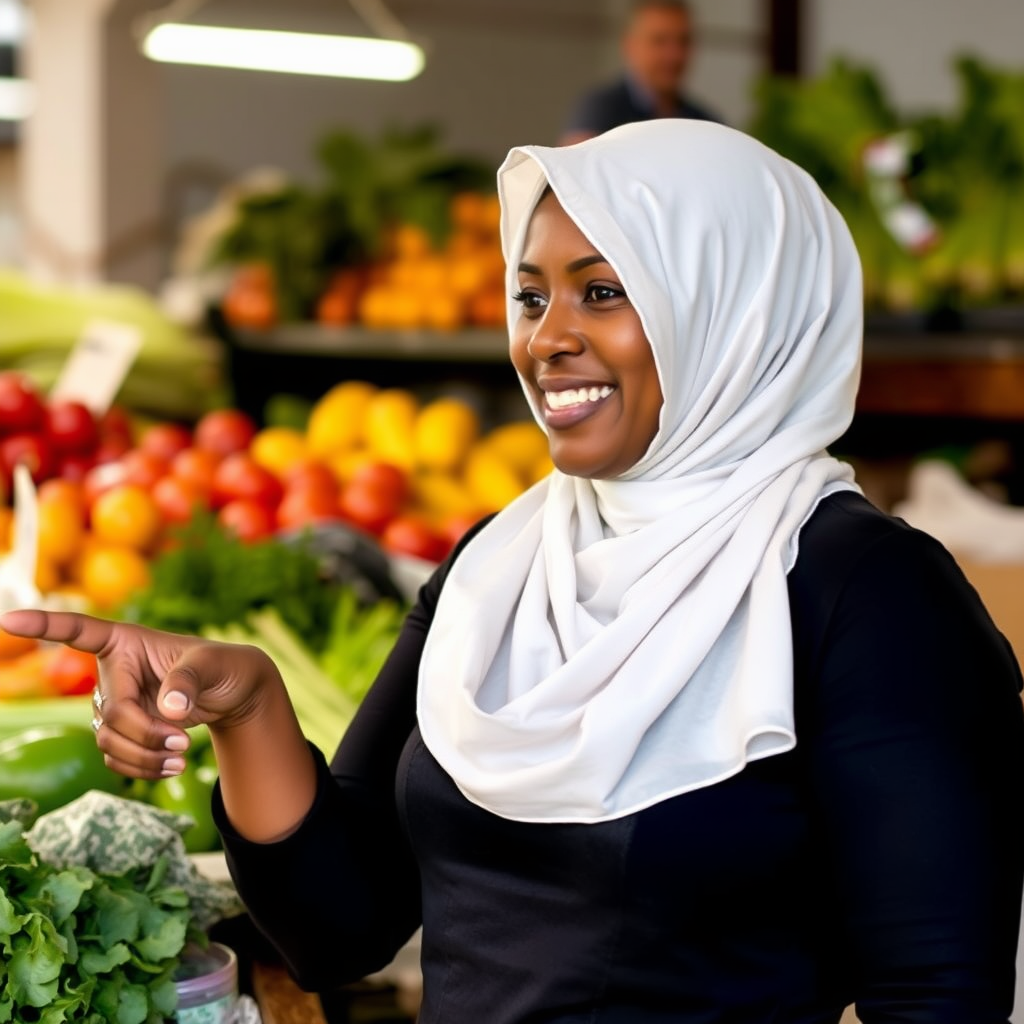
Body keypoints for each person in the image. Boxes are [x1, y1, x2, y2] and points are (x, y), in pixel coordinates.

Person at [4, 120, 1024, 1024]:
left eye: (604, 291)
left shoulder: (873, 597)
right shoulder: (503, 563)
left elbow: (936, 995)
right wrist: (249, 709)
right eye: (530, 295)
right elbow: (343, 928)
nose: (548, 338)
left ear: (736, 308)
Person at [559, 0, 722, 146]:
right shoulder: (600, 110)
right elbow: (574, 175)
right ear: (630, 45)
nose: (674, 55)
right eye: (659, 41)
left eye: (683, 41)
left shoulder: (705, 122)